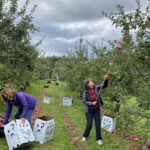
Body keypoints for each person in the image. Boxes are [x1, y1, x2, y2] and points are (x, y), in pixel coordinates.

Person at [82, 74, 109, 146]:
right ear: (87, 85)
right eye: (90, 83)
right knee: (89, 124)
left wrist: (106, 79)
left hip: (96, 109)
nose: (92, 84)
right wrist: (91, 103)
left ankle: (99, 139)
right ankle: (85, 136)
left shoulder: (96, 88)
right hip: (89, 110)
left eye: (92, 83)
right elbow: (84, 101)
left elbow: (104, 85)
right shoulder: (85, 91)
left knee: (98, 124)